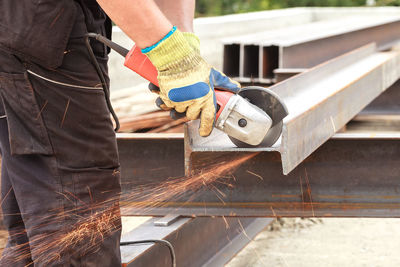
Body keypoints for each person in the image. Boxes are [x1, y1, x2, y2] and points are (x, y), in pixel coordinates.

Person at [0, 0, 240, 266]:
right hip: (42, 29)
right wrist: (171, 54)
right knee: (78, 215)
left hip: (23, 26)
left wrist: (182, 43)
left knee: (38, 213)